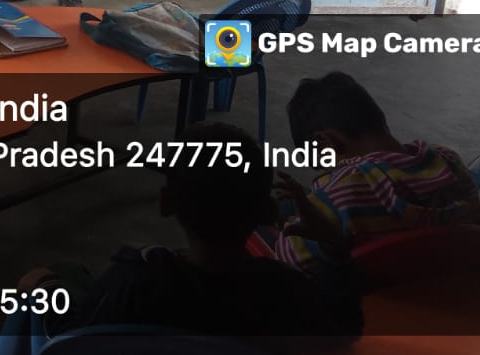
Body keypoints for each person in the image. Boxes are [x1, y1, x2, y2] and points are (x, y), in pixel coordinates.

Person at [20, 122, 363, 343]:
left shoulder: (136, 281)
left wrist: (43, 286)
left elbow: (70, 340)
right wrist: (334, 244)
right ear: (269, 212)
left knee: (53, 278)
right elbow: (345, 328)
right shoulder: (283, 290)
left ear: (165, 202)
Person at [272, 71, 480, 277]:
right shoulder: (449, 160)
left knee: (278, 210)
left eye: (325, 165)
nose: (330, 173)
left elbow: (288, 258)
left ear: (326, 143)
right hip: (442, 275)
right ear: (381, 119)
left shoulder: (342, 192)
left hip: (371, 289)